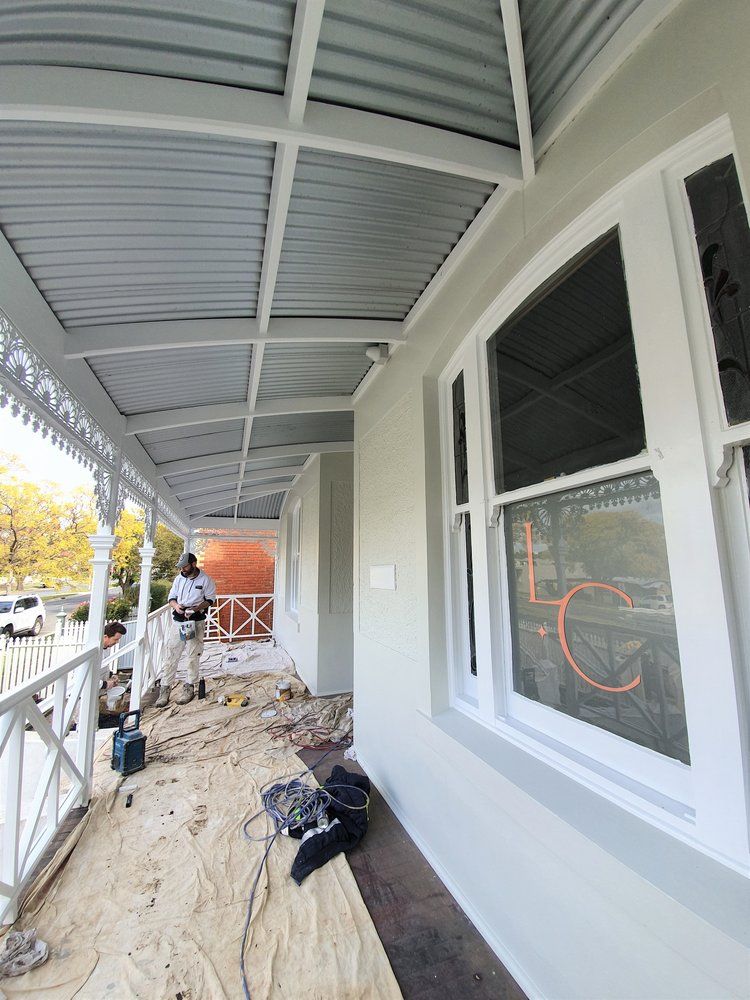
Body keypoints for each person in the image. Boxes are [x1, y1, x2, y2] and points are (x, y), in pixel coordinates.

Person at [155, 552, 216, 707]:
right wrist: (177, 607)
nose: (182, 569)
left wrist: (196, 609)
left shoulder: (205, 580)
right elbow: (172, 597)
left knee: (193, 654)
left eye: (185, 566)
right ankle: (165, 688)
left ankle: (189, 687)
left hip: (196, 621)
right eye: (181, 567)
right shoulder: (178, 579)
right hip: (179, 620)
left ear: (193, 564)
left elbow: (209, 600)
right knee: (171, 654)